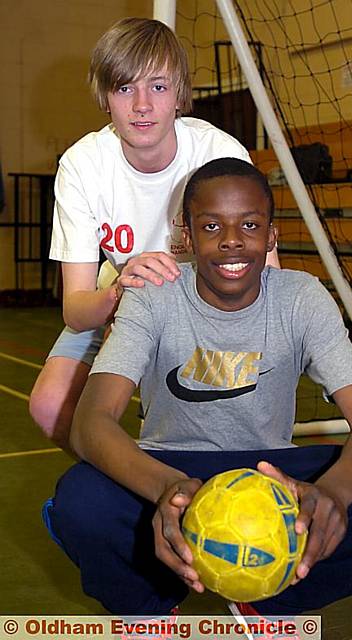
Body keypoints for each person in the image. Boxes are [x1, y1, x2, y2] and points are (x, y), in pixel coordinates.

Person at [45, 158, 352, 621]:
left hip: (268, 472)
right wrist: (167, 490)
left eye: (250, 224)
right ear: (186, 236)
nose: (231, 240)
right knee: (81, 500)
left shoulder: (302, 296)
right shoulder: (152, 296)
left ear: (272, 236)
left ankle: (270, 599)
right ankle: (148, 609)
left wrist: (333, 494)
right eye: (212, 225)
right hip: (172, 466)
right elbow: (90, 424)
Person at [29, 17, 279, 450]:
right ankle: (129, 483)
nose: (142, 104)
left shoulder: (218, 154)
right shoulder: (82, 166)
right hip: (120, 296)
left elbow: (268, 280)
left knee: (196, 420)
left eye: (158, 87)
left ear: (180, 96)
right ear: (106, 97)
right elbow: (75, 309)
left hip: (209, 303)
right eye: (126, 88)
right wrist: (119, 298)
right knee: (50, 404)